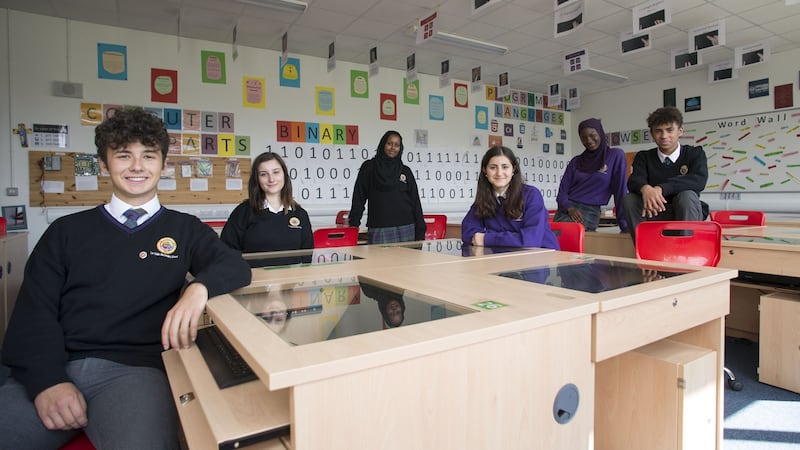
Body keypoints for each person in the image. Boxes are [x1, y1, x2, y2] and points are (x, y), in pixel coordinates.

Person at [0, 107, 252, 449]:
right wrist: (48, 382)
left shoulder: (186, 229)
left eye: (148, 156)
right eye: (123, 155)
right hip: (53, 367)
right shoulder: (64, 232)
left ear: (163, 165)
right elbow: (33, 314)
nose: (137, 166)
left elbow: (235, 266)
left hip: (135, 374)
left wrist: (197, 290)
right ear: (104, 164)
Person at [622, 106, 709, 242]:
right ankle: (644, 249)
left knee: (687, 195)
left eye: (669, 130)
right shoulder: (644, 156)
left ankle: (686, 251)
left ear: (680, 131)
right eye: (658, 131)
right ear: (652, 133)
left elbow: (698, 180)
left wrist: (661, 188)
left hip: (685, 212)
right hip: (654, 212)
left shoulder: (694, 153)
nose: (664, 136)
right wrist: (646, 188)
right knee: (629, 199)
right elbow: (634, 180)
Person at [221, 152, 313, 267]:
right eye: (264, 174)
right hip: (252, 282)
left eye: (276, 172)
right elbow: (227, 252)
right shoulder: (243, 212)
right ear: (257, 179)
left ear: (284, 174)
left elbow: (306, 256)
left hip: (291, 282)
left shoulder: (300, 214)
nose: (271, 179)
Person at [462, 146, 559, 249]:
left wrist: (486, 238)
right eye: (493, 167)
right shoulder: (484, 198)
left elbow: (530, 240)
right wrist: (511, 239)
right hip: (506, 256)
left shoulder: (531, 195)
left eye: (505, 167)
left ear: (514, 169)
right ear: (485, 170)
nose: (499, 173)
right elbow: (467, 232)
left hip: (541, 256)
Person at [349, 130, 426, 244]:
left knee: (408, 261)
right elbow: (358, 197)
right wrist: (354, 225)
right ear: (383, 144)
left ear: (400, 148)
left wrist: (420, 228)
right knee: (380, 262)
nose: (392, 148)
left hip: (406, 227)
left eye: (396, 145)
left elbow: (415, 201)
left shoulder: (405, 171)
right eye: (389, 143)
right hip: (380, 228)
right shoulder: (369, 168)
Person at [554, 118, 628, 233]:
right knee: (555, 240)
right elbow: (562, 193)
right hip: (567, 209)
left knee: (569, 238)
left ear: (600, 133)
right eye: (584, 137)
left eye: (592, 135)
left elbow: (621, 192)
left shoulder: (615, 156)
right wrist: (570, 209)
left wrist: (625, 225)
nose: (589, 140)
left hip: (590, 211)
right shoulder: (576, 161)